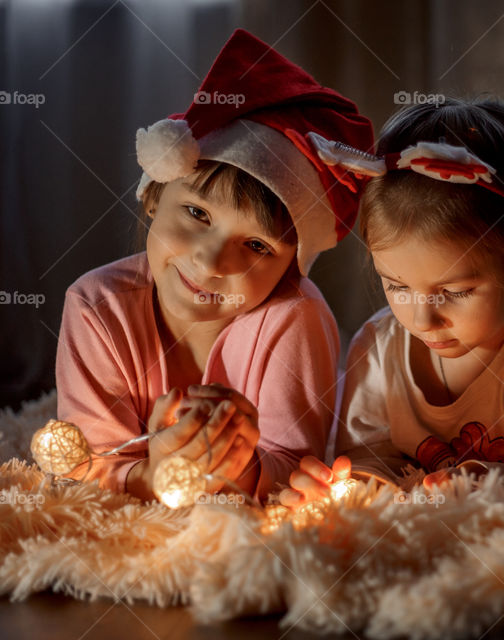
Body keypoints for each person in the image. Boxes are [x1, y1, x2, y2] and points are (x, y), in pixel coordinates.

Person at [55, 29, 373, 502]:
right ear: (155, 196)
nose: (210, 260)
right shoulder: (96, 307)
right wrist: (152, 475)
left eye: (258, 246)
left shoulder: (294, 320)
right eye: (198, 214)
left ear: (290, 267)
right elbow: (85, 464)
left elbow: (292, 466)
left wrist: (235, 464)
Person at [281, 97, 504, 507]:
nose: (422, 319)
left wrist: (496, 480)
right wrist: (353, 487)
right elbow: (368, 456)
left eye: (455, 292)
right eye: (397, 286)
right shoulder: (377, 348)